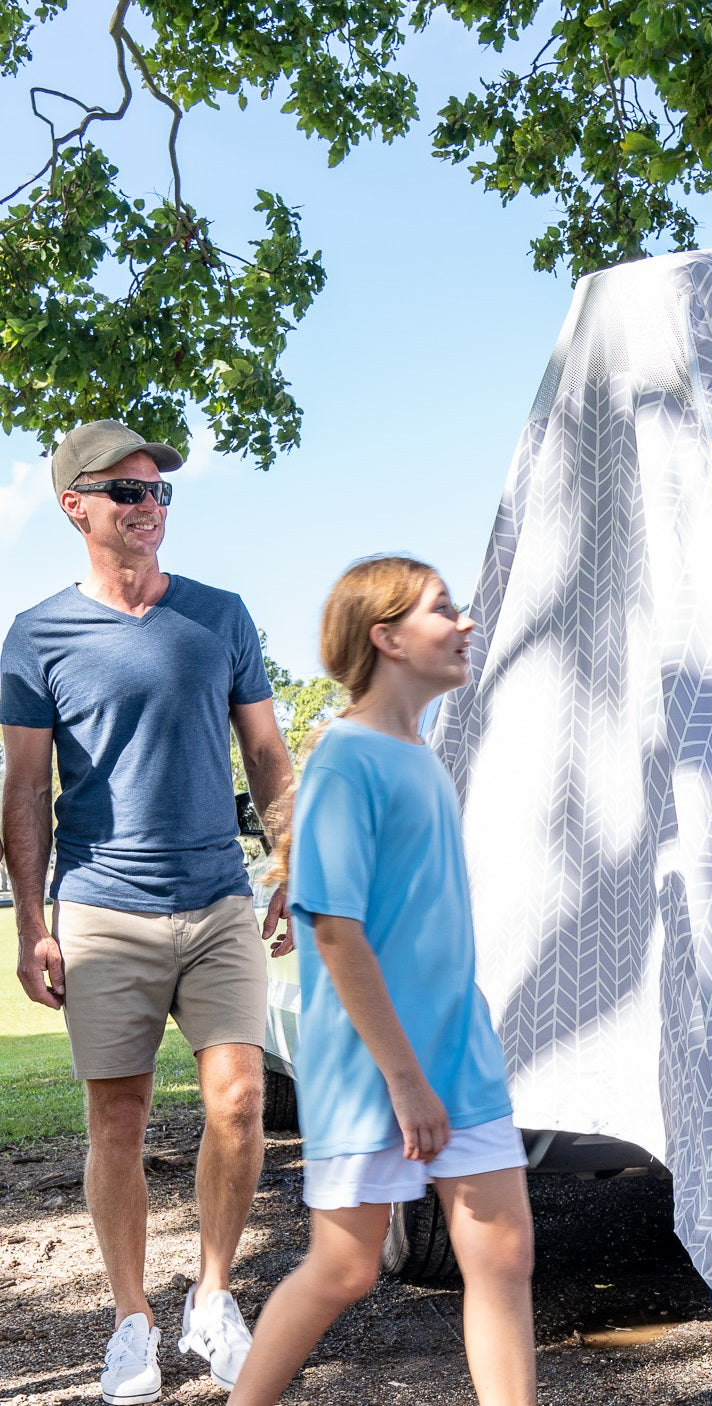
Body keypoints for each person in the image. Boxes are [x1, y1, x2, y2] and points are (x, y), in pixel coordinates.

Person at [0, 420, 294, 1404]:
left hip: (217, 898)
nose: (148, 505)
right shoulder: (37, 633)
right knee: (116, 1118)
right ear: (73, 504)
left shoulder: (220, 615)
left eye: (159, 490)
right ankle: (130, 1317)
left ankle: (211, 1295)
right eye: (125, 491)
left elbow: (265, 753)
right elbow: (25, 789)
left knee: (241, 1101)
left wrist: (289, 857)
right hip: (101, 908)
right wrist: (30, 920)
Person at [227, 555, 536, 1406]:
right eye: (445, 609)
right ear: (388, 637)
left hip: (458, 1045)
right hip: (375, 1066)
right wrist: (405, 1081)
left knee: (504, 1258)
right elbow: (335, 929)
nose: (466, 622)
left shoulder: (421, 755)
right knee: (345, 1267)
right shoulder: (348, 759)